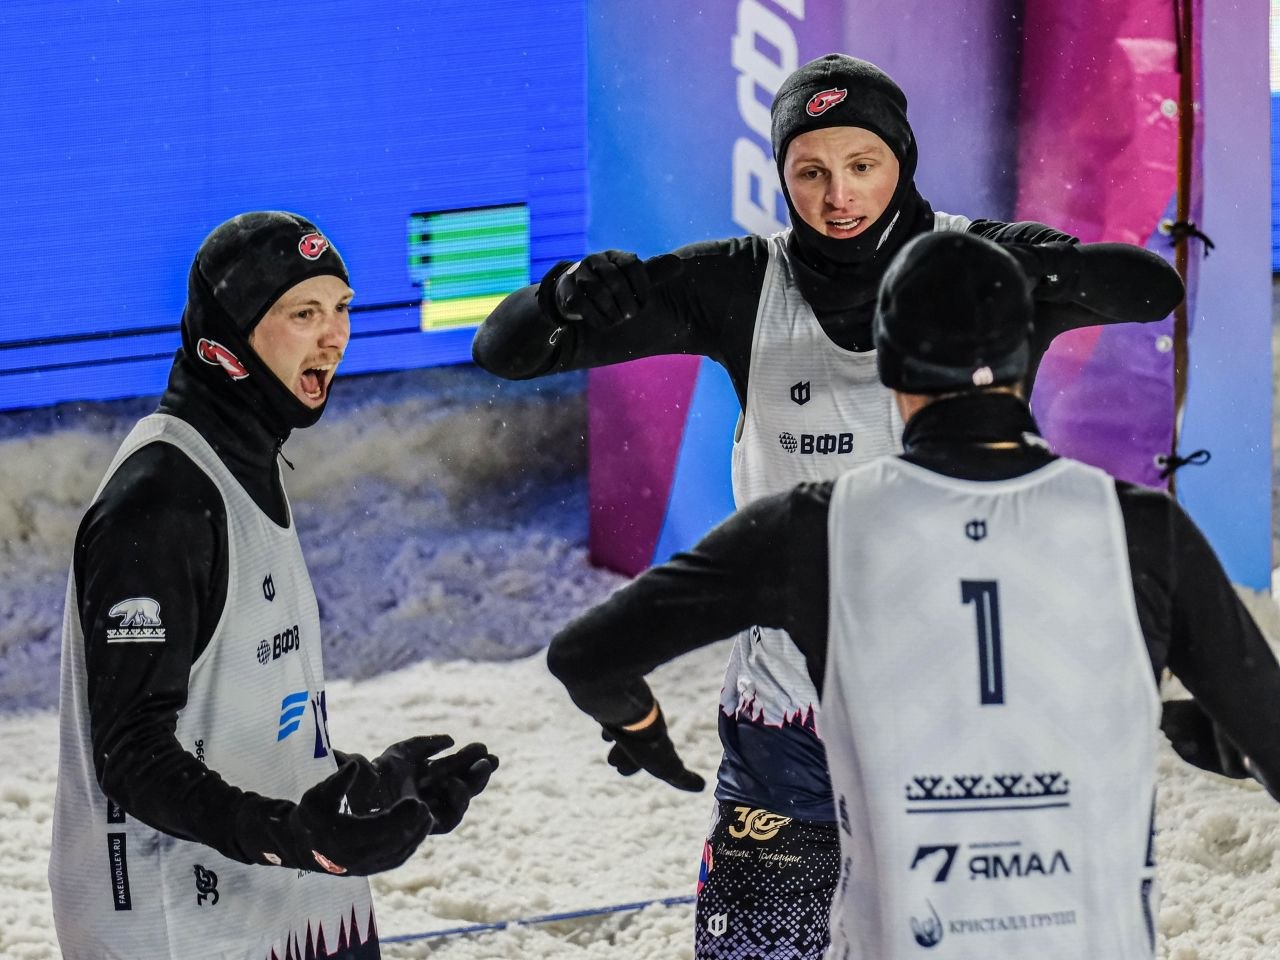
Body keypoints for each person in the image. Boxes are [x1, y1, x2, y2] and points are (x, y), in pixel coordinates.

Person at [474, 53, 1185, 957]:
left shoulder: (978, 275)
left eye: (863, 167)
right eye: (808, 172)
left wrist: (1056, 271)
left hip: (960, 719)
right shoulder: (739, 282)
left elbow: (1150, 290)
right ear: (780, 173)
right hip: (789, 719)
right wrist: (563, 294)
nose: (837, 195)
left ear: (904, 163)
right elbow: (507, 352)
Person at [546, 231, 1280, 960]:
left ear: (888, 369)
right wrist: (1205, 729)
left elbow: (586, 657)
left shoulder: (811, 527)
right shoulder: (1143, 528)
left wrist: (638, 724)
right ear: (1029, 355)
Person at [49, 211, 498, 960]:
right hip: (184, 928)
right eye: (304, 314)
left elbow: (242, 719)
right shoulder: (160, 501)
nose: (335, 336)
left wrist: (369, 790)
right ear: (227, 342)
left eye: (342, 309)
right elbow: (130, 755)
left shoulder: (248, 460)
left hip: (285, 904)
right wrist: (297, 838)